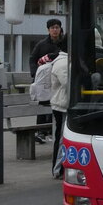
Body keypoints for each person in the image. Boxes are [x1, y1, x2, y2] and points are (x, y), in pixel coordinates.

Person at [28, 19, 65, 142]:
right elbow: (32, 59)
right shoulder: (42, 44)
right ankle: (41, 131)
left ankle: (52, 131)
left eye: (57, 27)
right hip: (45, 80)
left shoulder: (64, 42)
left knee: (56, 105)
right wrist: (35, 73)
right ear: (48, 30)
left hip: (59, 79)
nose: (55, 30)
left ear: (60, 29)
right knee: (44, 103)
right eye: (52, 28)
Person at [48, 49, 70, 179]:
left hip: (62, 104)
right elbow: (68, 83)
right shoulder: (62, 63)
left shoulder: (63, 61)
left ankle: (59, 168)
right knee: (61, 138)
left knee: (61, 137)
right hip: (61, 105)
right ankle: (58, 169)